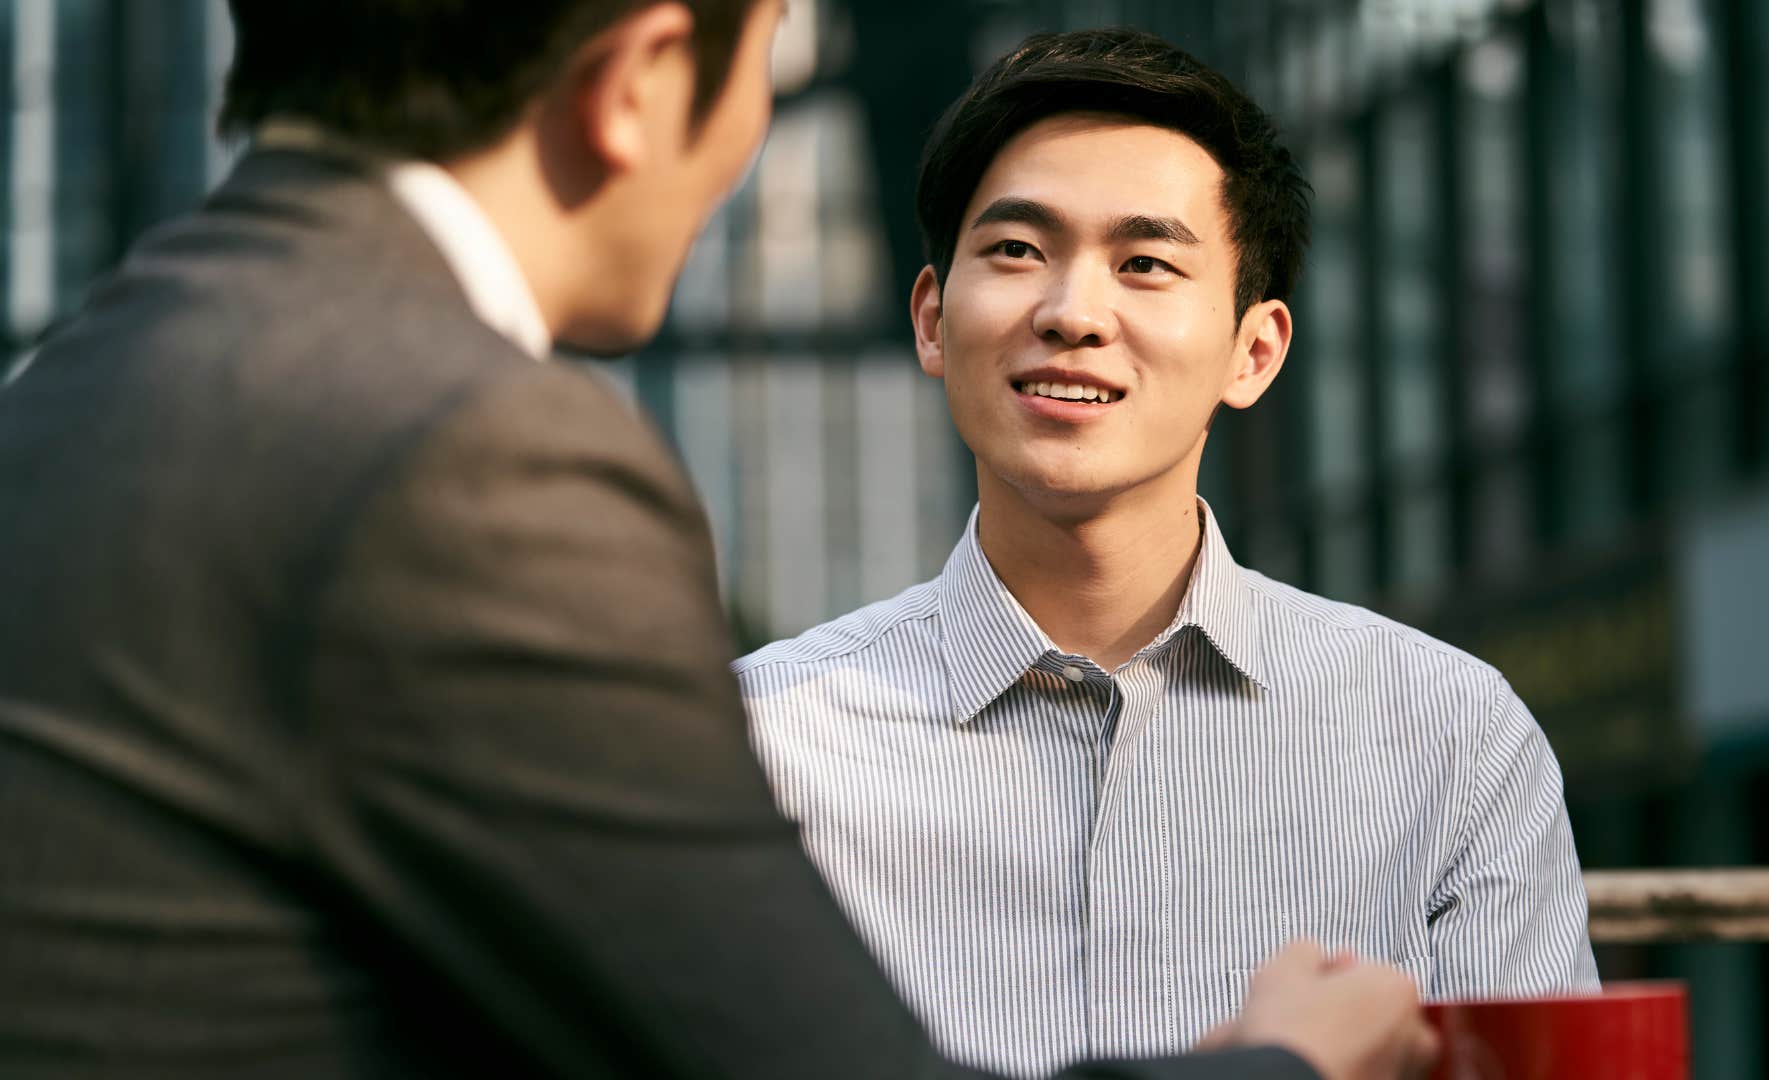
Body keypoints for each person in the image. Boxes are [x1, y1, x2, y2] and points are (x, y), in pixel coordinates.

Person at [0, 3, 1438, 1078]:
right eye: (760, 56)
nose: (752, 128)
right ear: (637, 83)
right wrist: (1290, 1063)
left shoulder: (82, 385)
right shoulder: (467, 457)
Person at [736, 27, 1599, 1078]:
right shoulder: (761, 751)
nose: (1072, 313)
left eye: (1145, 264)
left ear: (1254, 349)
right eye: (1016, 251)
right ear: (930, 319)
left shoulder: (1451, 741)